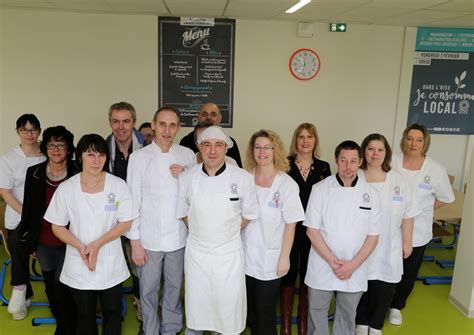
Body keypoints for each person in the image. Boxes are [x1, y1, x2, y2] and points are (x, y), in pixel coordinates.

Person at [45, 134, 137, 335]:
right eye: (90, 154)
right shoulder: (67, 188)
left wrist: (96, 245)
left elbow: (126, 221)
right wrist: (81, 246)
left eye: (101, 155)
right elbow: (57, 226)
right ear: (80, 157)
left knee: (112, 312)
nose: (97, 160)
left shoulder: (117, 185)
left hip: (109, 260)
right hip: (79, 260)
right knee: (84, 315)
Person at [177, 125, 259, 334]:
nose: (212, 151)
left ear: (226, 148)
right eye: (207, 145)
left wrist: (226, 232)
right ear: (199, 147)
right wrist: (202, 231)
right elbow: (183, 212)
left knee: (227, 309)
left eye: (218, 145)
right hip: (197, 254)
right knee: (198, 307)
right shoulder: (187, 178)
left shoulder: (241, 177)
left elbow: (249, 214)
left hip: (228, 255)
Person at [126, 107, 195, 335]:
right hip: (148, 238)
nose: (167, 130)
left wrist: (185, 175)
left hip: (178, 237)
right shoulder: (138, 158)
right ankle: (151, 329)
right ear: (153, 125)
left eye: (172, 125)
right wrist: (135, 242)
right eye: (162, 124)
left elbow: (196, 196)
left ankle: (170, 329)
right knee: (148, 290)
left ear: (178, 127)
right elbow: (132, 202)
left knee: (174, 289)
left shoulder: (187, 156)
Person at [304, 140, 380, 335]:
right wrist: (333, 261)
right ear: (336, 161)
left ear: (360, 162)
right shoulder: (320, 189)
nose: (348, 166)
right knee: (317, 312)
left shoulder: (371, 194)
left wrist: (352, 265)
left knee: (347, 313)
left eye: (353, 161)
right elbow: (312, 230)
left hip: (355, 266)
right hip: (323, 264)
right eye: (344, 161)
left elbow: (373, 236)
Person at [8, 126, 79, 330]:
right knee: (50, 283)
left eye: (61, 145)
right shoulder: (35, 172)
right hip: (43, 239)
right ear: (45, 148)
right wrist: (28, 241)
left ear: (69, 149)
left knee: (65, 283)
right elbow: (29, 208)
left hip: (70, 238)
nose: (56, 149)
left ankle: (68, 326)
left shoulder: (78, 170)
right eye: (51, 145)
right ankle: (62, 320)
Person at [388, 124, 454, 326]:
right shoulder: (392, 161)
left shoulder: (435, 169)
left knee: (408, 271)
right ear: (403, 140)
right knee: (385, 268)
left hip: (418, 230)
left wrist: (423, 209)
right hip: (389, 227)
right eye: (409, 138)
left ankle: (396, 306)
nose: (413, 143)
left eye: (418, 139)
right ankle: (379, 303)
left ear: (425, 143)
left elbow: (445, 197)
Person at [355, 134, 419, 335]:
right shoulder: (355, 177)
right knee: (360, 284)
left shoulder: (399, 180)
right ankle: (360, 322)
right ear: (364, 152)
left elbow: (408, 215)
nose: (375, 154)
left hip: (389, 244)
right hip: (359, 244)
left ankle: (376, 325)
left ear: (386, 153)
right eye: (371, 149)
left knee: (385, 287)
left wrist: (407, 243)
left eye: (380, 149)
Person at [242, 130, 304, 335]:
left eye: (267, 147)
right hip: (244, 255)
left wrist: (284, 258)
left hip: (271, 257)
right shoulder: (244, 179)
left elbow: (291, 225)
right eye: (258, 147)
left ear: (275, 150)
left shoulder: (286, 184)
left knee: (265, 310)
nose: (262, 152)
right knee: (248, 311)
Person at [280, 123, 331, 335]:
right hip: (289, 228)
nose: (305, 140)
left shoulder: (323, 167)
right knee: (289, 275)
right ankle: (285, 324)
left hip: (314, 231)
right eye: (301, 136)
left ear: (315, 140)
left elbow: (328, 200)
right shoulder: (284, 164)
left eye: (309, 136)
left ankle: (302, 323)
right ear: (296, 140)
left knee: (309, 276)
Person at [0, 114, 45, 319]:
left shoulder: (47, 155)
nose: (29, 133)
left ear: (39, 131)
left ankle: (22, 290)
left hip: (46, 217)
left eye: (33, 129)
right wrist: (27, 214)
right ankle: (19, 289)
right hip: (17, 216)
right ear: (17, 131)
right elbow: (6, 192)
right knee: (18, 240)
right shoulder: (8, 159)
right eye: (24, 129)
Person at [106, 101, 143, 320]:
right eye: (116, 121)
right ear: (110, 123)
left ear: (134, 123)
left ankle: (140, 302)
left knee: (138, 264)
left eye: (126, 121)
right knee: (110, 263)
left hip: (137, 218)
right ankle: (112, 307)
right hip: (109, 218)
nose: (121, 127)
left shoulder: (148, 148)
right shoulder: (101, 149)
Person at [179, 102, 243, 167]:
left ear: (219, 118)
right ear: (198, 117)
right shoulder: (186, 141)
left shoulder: (229, 142)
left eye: (213, 114)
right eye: (204, 114)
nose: (209, 117)